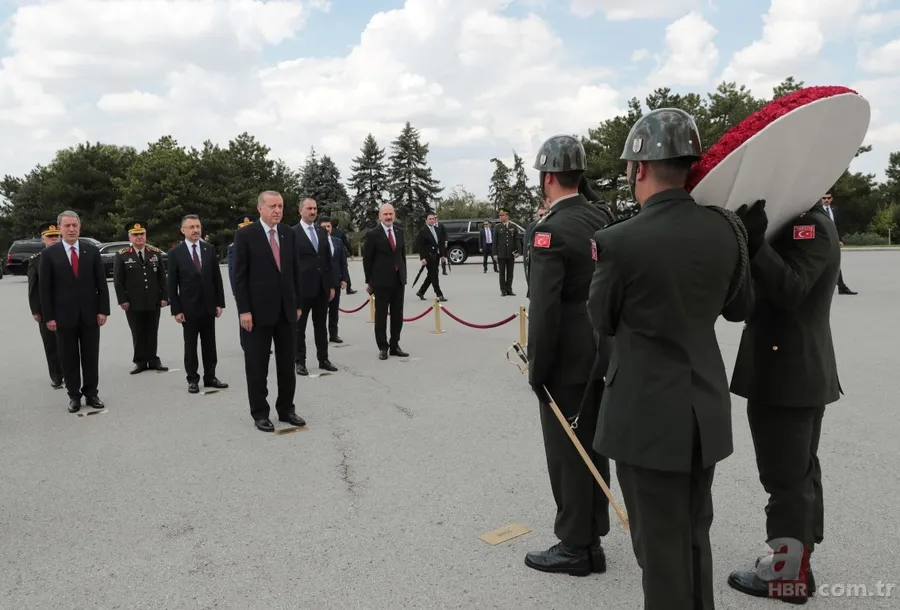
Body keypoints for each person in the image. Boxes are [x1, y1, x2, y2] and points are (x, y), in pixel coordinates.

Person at [587, 108, 755, 609]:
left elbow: (603, 321)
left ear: (639, 169)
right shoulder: (728, 231)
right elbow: (740, 309)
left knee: (659, 549)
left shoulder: (618, 241)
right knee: (693, 535)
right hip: (702, 409)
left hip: (645, 416)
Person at [725, 198, 842, 604]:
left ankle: (788, 576)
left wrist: (755, 243)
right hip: (789, 373)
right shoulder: (793, 223)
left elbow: (792, 288)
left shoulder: (807, 227)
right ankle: (796, 562)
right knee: (797, 474)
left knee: (787, 479)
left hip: (788, 375)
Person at [524, 134, 615, 576]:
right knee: (593, 448)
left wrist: (536, 370)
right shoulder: (601, 216)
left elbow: (544, 309)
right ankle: (592, 537)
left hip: (566, 361)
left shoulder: (549, 230)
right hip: (601, 354)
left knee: (566, 452)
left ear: (548, 177)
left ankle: (575, 545)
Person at [233, 191, 306, 433]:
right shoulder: (245, 235)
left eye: (281, 206)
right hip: (256, 313)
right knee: (257, 365)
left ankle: (286, 409)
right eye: (273, 206)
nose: (277, 210)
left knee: (287, 364)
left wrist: (297, 304)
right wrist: (244, 310)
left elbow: (294, 270)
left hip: (286, 312)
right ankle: (260, 413)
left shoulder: (288, 233)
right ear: (260, 209)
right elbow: (239, 277)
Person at [39, 210, 111, 413]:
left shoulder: (91, 251)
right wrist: (49, 316)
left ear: (80, 228)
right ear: (59, 228)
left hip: (90, 315)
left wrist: (102, 310)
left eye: (74, 225)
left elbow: (101, 284)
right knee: (69, 358)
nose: (71, 229)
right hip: (63, 317)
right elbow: (45, 289)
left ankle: (91, 393)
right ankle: (74, 396)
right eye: (67, 226)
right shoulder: (49, 254)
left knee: (90, 356)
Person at [167, 214, 228, 394]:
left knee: (210, 344)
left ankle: (211, 376)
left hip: (209, 306)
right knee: (191, 345)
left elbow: (216, 278)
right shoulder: (175, 253)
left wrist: (219, 303)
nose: (195, 230)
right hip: (188, 308)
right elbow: (172, 284)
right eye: (191, 227)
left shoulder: (209, 249)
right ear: (183, 230)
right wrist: (176, 310)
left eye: (198, 226)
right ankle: (192, 379)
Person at [113, 222, 169, 374]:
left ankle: (153, 360)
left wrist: (165, 296)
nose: (139, 237)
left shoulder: (155, 253)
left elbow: (162, 278)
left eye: (141, 234)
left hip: (153, 299)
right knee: (137, 332)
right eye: (135, 234)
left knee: (152, 330)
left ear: (145, 235)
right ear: (130, 237)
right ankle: (140, 361)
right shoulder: (122, 254)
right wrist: (122, 300)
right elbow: (118, 280)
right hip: (132, 301)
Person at [292, 197, 337, 376]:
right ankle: (300, 362)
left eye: (315, 208)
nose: (312, 212)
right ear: (300, 210)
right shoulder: (292, 233)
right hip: (302, 289)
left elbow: (327, 260)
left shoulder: (321, 231)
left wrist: (332, 285)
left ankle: (323, 359)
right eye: (309, 208)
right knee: (299, 328)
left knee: (321, 326)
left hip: (321, 288)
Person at [362, 203, 409, 360]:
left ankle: (395, 345)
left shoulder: (399, 231)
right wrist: (370, 281)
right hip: (381, 282)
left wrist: (404, 275)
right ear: (379, 216)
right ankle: (383, 347)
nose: (389, 217)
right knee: (381, 316)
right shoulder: (373, 234)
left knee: (397, 316)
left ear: (394, 215)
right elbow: (367, 260)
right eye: (385, 214)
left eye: (391, 214)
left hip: (398, 281)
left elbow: (402, 256)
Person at [27, 223, 64, 389]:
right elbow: (33, 288)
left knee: (69, 342)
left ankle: (71, 373)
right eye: (50, 237)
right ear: (43, 240)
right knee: (51, 344)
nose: (54, 239)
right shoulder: (36, 260)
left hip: (67, 307)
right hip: (46, 309)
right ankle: (56, 376)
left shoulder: (69, 255)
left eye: (56, 236)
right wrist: (36, 310)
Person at [319, 216, 351, 343]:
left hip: (336, 281)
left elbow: (343, 262)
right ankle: (321, 334)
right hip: (321, 283)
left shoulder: (337, 242)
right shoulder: (316, 242)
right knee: (321, 311)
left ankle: (333, 334)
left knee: (334, 311)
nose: (327, 229)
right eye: (324, 227)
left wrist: (345, 279)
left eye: (328, 226)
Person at [228, 214, 257, 351]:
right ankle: (246, 344)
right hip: (243, 288)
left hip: (258, 288)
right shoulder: (234, 246)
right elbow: (233, 271)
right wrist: (236, 291)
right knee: (245, 315)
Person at [820, 191, 857, 294]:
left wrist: (840, 239)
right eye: (824, 198)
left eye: (828, 198)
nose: (826, 200)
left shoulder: (835, 211)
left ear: (831, 199)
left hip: (833, 242)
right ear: (820, 199)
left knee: (834, 264)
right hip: (821, 242)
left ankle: (841, 287)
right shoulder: (816, 211)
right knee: (824, 265)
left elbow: (838, 226)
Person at [414, 212, 448, 302]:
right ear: (426, 220)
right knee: (434, 275)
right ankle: (439, 294)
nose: (432, 220)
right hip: (428, 256)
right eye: (430, 219)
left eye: (433, 219)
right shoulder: (423, 231)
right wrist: (422, 258)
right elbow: (419, 245)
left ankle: (421, 292)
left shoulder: (437, 229)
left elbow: (440, 243)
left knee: (431, 275)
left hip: (436, 255)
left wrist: (442, 255)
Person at [493, 208, 520, 296]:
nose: (501, 217)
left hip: (511, 253)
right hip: (501, 254)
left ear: (507, 215)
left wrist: (518, 251)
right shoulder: (497, 227)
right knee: (502, 273)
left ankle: (509, 289)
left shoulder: (513, 226)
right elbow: (495, 242)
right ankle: (503, 290)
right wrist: (495, 254)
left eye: (503, 215)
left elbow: (517, 240)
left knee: (510, 273)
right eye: (500, 215)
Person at [330, 218, 357, 295]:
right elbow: (346, 243)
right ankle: (348, 288)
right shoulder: (340, 232)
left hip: (330, 254)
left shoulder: (328, 231)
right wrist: (351, 253)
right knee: (344, 270)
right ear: (338, 224)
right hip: (340, 254)